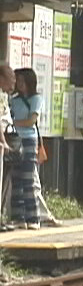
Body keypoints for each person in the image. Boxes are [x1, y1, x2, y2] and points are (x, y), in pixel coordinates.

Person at [9, 68, 43, 229]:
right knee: (16, 178)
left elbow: (31, 121)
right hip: (15, 139)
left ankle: (33, 217)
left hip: (29, 140)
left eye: (22, 81)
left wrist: (12, 123)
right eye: (17, 81)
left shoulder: (36, 99)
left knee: (28, 179)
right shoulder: (13, 99)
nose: (19, 84)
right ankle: (18, 217)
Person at [0, 65, 15, 230]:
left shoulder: (4, 96)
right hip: (2, 139)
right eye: (10, 77)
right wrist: (3, 141)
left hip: (7, 136)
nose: (13, 81)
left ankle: (1, 217)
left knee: (5, 182)